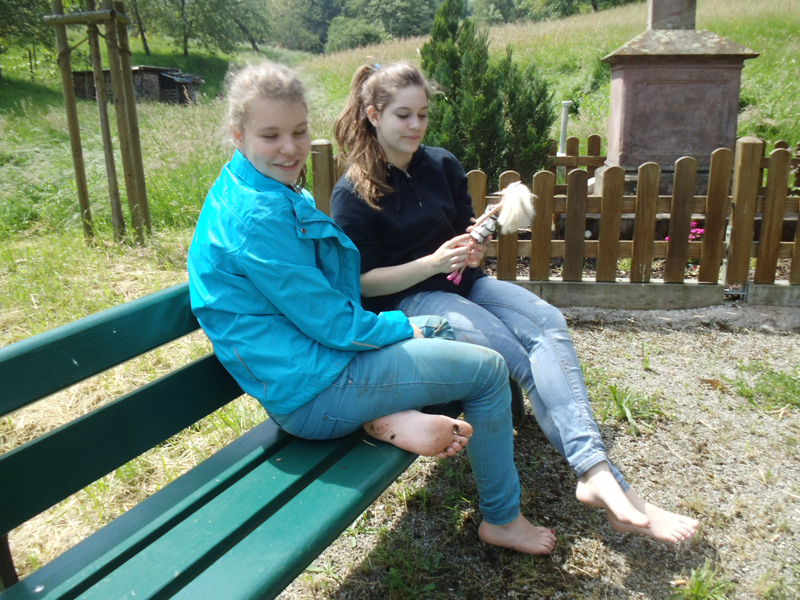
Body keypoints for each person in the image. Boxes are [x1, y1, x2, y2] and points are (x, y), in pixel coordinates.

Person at [187, 60, 558, 555]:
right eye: (271, 135)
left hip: (314, 364)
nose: (290, 148)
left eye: (299, 131)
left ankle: (385, 415)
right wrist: (401, 327)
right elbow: (332, 322)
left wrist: (405, 327)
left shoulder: (258, 186)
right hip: (313, 391)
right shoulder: (256, 218)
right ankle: (503, 519)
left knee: (441, 326)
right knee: (488, 371)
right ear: (238, 135)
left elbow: (321, 310)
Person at [329, 61, 700, 544]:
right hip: (413, 302)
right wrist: (432, 263)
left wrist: (473, 246)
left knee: (547, 321)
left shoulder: (441, 165)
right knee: (514, 353)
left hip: (466, 285)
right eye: (404, 115)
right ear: (374, 115)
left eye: (423, 114)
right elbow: (364, 284)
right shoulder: (354, 192)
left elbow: (464, 236)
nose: (416, 125)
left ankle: (596, 475)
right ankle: (609, 484)